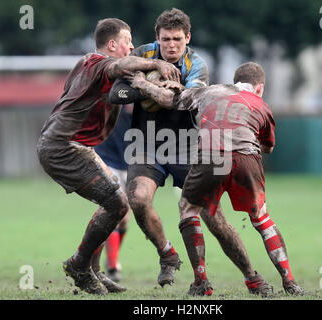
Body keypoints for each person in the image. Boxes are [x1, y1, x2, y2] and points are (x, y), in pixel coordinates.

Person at [128, 62, 305, 297]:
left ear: (234, 80)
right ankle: (290, 282)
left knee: (189, 209)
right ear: (259, 87)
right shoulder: (262, 105)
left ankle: (201, 281)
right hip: (246, 158)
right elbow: (268, 147)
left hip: (210, 155)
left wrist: (142, 84)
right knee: (261, 218)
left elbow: (168, 100)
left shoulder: (209, 91)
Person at [36, 18, 180, 295]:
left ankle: (95, 270)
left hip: (70, 145)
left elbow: (120, 86)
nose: (132, 46)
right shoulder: (99, 62)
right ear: (112, 44)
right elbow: (120, 66)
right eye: (128, 41)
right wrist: (156, 64)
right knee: (117, 203)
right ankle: (79, 266)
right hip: (63, 146)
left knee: (113, 201)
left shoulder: (88, 65)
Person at [108, 8, 209, 287]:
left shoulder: (197, 65)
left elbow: (178, 102)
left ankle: (232, 277)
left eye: (177, 39)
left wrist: (145, 85)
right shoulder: (141, 55)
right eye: (166, 39)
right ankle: (167, 254)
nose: (171, 45)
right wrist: (148, 81)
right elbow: (116, 94)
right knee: (138, 200)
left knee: (212, 214)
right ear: (157, 38)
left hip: (186, 147)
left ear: (187, 37)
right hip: (145, 145)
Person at [91, 105, 133, 283]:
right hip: (108, 160)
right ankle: (110, 266)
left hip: (132, 162)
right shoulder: (115, 93)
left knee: (125, 220)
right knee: (116, 210)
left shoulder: (147, 98)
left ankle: (106, 260)